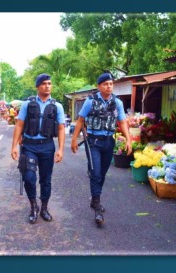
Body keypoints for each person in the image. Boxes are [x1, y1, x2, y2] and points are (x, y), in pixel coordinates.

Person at [70, 72, 132, 226]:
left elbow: (123, 122)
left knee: (102, 173)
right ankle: (97, 207)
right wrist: (74, 140)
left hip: (109, 141)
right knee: (96, 173)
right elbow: (80, 121)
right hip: (93, 142)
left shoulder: (117, 102)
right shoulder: (90, 101)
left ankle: (95, 199)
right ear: (99, 86)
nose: (109, 86)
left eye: (111, 84)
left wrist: (128, 140)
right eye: (106, 84)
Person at [11, 73, 66, 224]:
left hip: (47, 146)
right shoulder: (27, 104)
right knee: (29, 178)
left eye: (49, 83)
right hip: (29, 146)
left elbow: (61, 128)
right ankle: (33, 206)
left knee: (45, 180)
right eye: (44, 84)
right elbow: (19, 124)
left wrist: (61, 149)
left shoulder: (57, 106)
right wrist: (14, 146)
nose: (47, 86)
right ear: (37, 86)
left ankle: (44, 208)